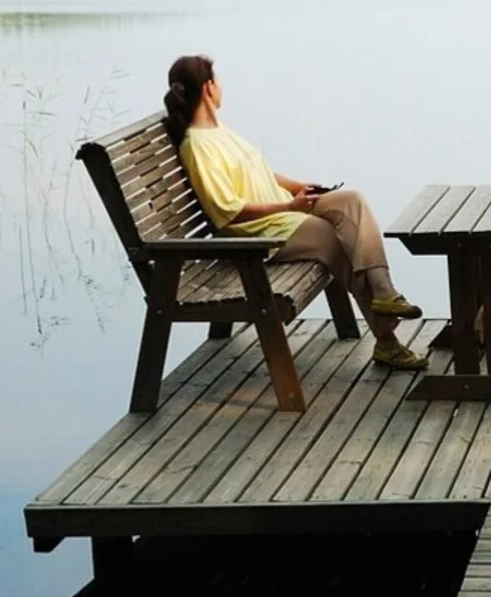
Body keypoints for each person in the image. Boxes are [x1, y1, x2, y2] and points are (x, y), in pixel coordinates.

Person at [163, 55, 426, 370]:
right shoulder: (197, 146)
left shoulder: (221, 132)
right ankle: (387, 343)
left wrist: (298, 186)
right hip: (263, 233)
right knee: (337, 240)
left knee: (351, 201)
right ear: (208, 87)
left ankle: (384, 289)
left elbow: (261, 172)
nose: (221, 87)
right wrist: (289, 206)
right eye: (217, 81)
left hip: (287, 212)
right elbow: (227, 212)